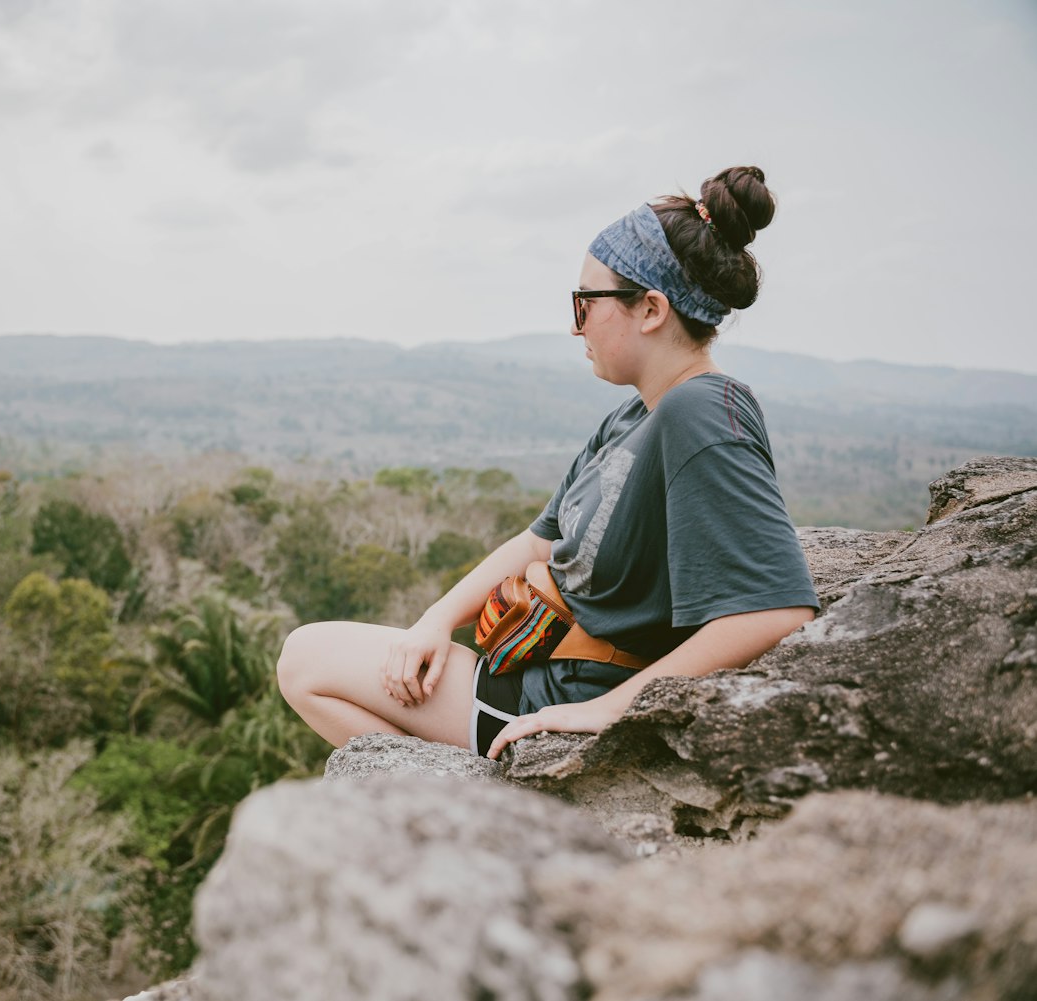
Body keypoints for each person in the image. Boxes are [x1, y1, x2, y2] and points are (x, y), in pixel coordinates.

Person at [276, 165, 820, 761]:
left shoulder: (703, 408)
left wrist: (608, 710)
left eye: (586, 302)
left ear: (651, 309)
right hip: (528, 670)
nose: (573, 323)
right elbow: (540, 542)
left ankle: (466, 804)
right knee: (313, 657)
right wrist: (432, 623)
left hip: (557, 696)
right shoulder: (636, 415)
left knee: (305, 660)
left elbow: (774, 609)